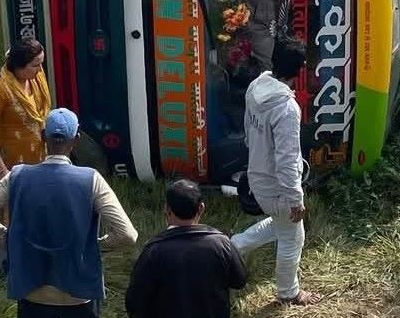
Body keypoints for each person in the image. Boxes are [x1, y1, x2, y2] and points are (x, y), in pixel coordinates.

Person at [0, 108, 139, 318]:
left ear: (43, 136)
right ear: (77, 139)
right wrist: (93, 245)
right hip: (78, 295)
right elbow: (128, 235)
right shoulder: (91, 180)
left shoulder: (18, 176)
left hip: (33, 294)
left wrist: (8, 235)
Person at [231, 36, 318, 306]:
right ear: (300, 70)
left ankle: (234, 246)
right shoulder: (286, 108)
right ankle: (288, 292)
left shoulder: (256, 86)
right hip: (275, 185)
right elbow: (287, 159)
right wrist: (296, 199)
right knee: (293, 236)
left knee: (279, 224)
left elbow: (248, 128)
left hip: (257, 175)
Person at [125, 180, 248, 318]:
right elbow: (239, 281)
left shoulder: (153, 251)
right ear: (201, 208)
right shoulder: (222, 243)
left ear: (166, 209)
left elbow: (134, 302)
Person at [0, 39, 50, 191]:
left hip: (40, 156)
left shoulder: (36, 78)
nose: (40, 69)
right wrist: (3, 171)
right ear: (19, 66)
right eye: (35, 65)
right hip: (13, 165)